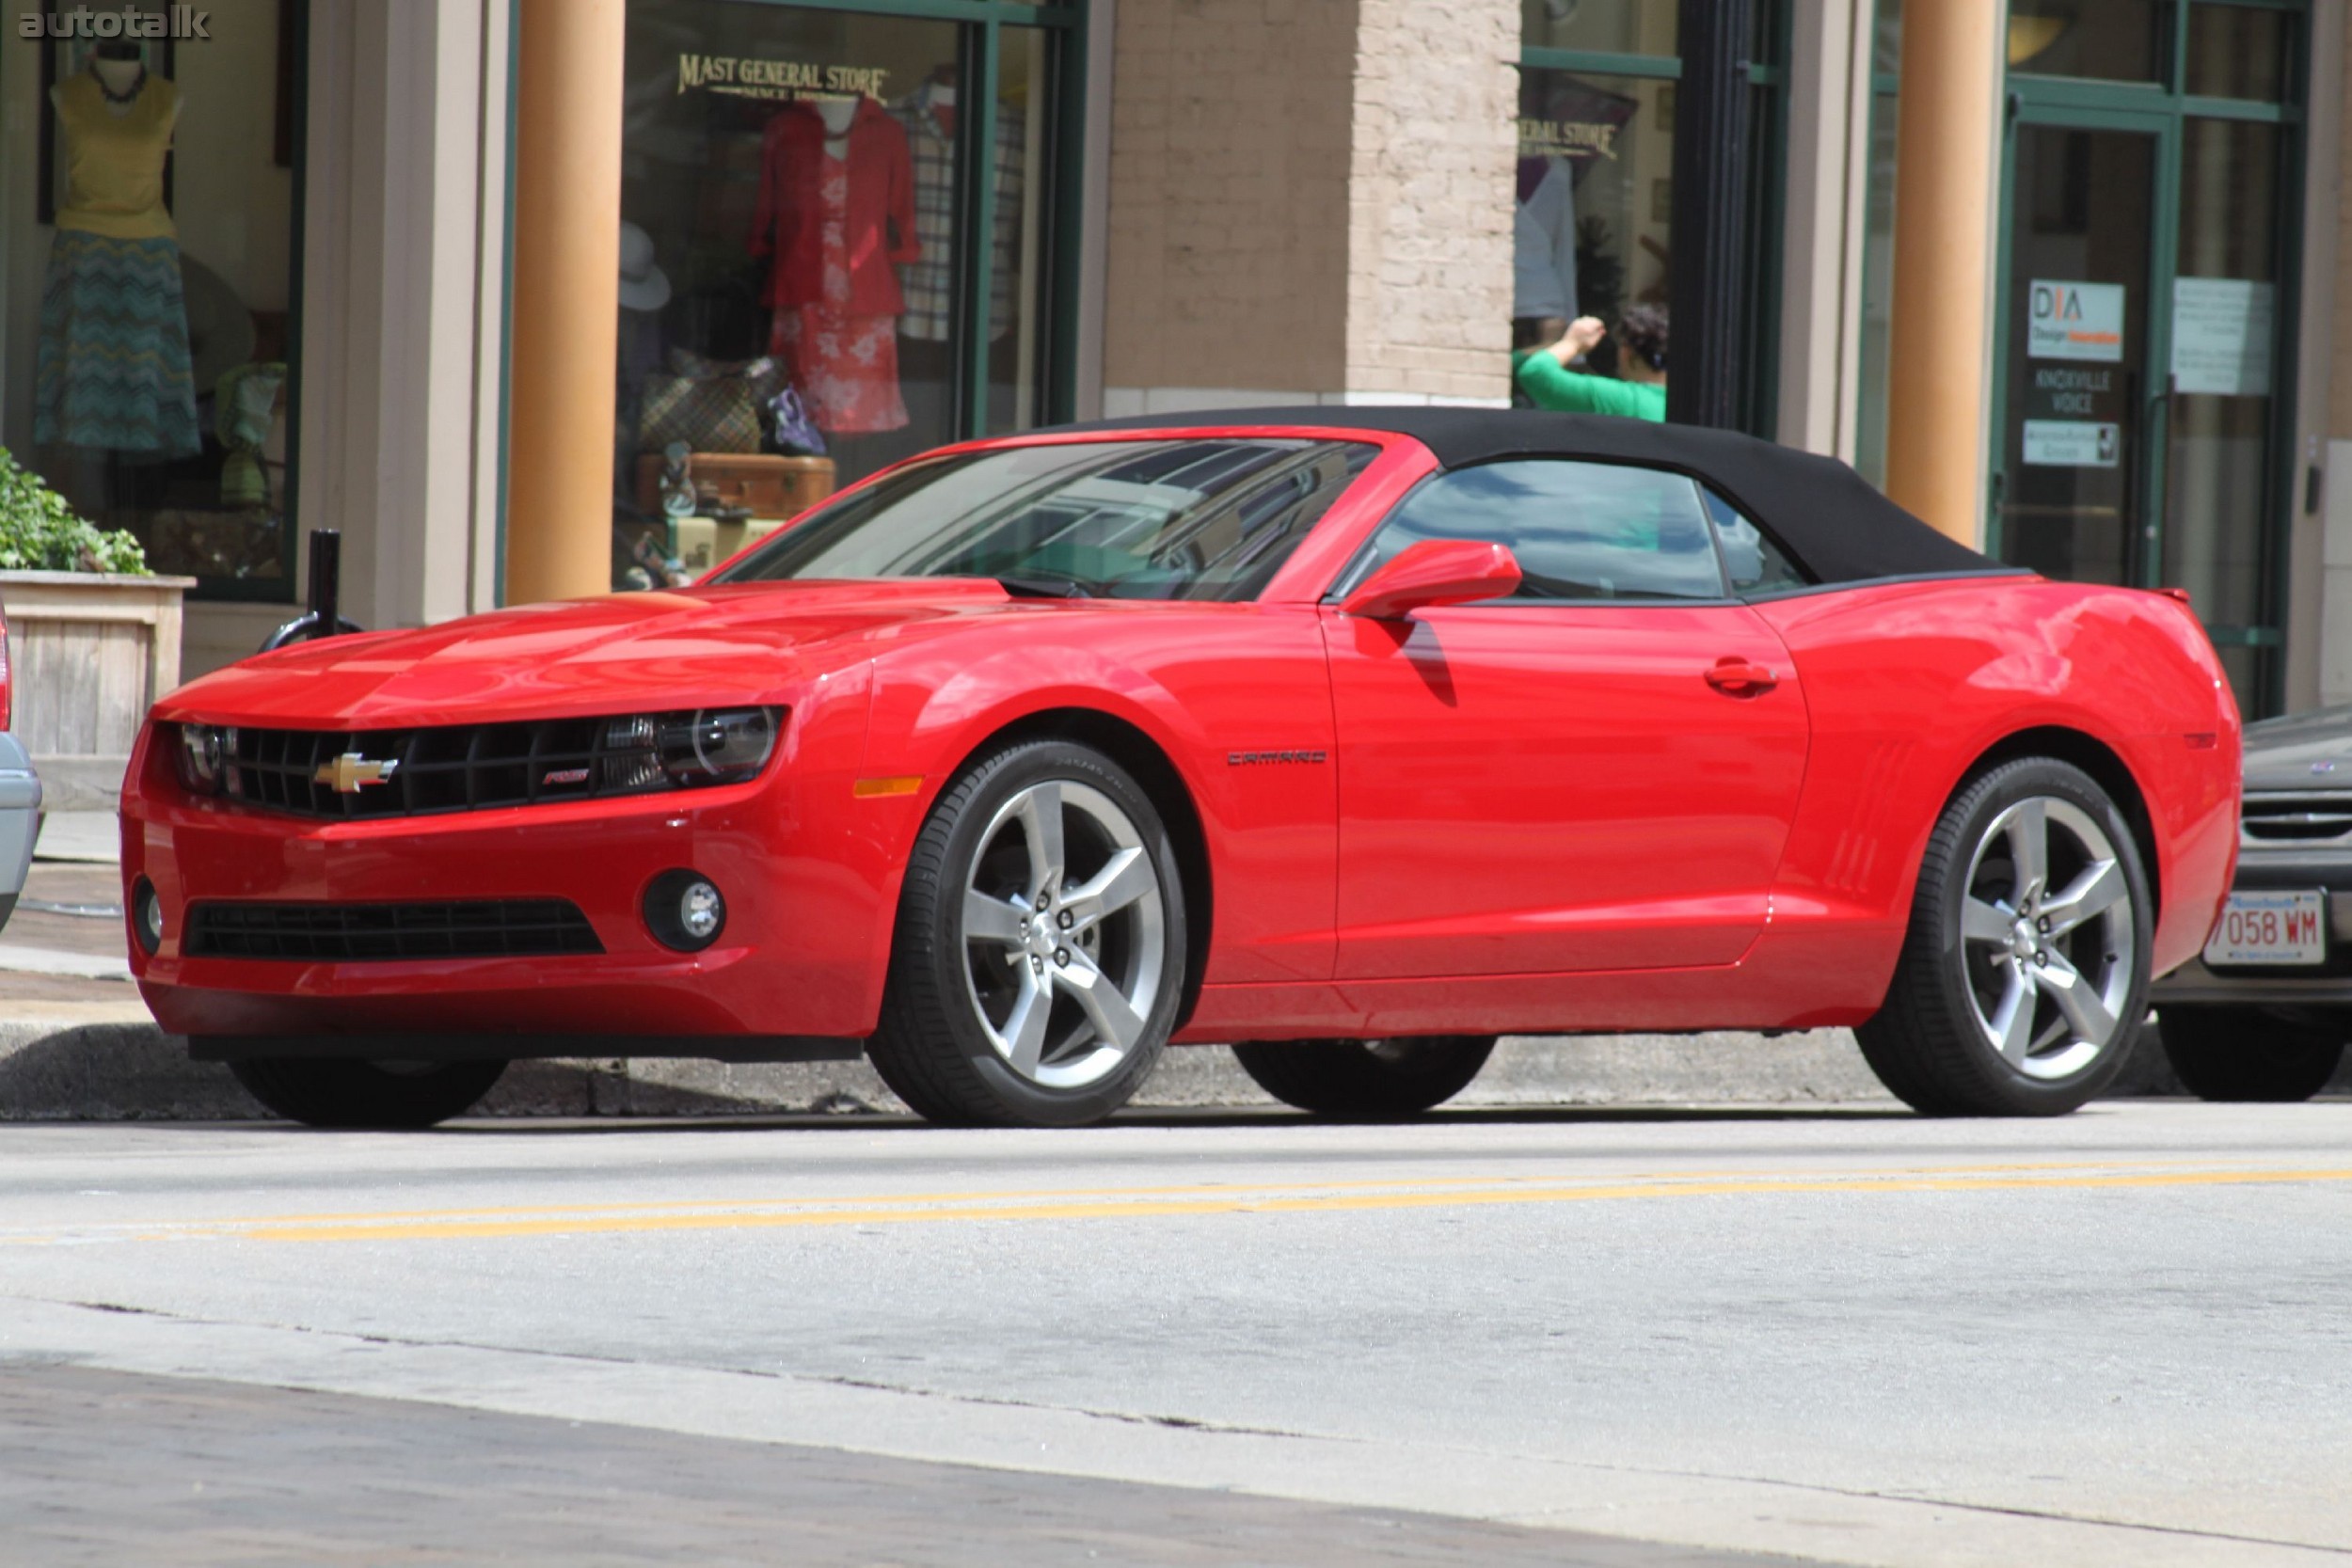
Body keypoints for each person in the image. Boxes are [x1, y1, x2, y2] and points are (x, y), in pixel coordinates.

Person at [1513, 305, 1668, 421]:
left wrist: (1572, 343)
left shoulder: (1624, 400)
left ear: (1627, 352)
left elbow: (1535, 373)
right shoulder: (1685, 408)